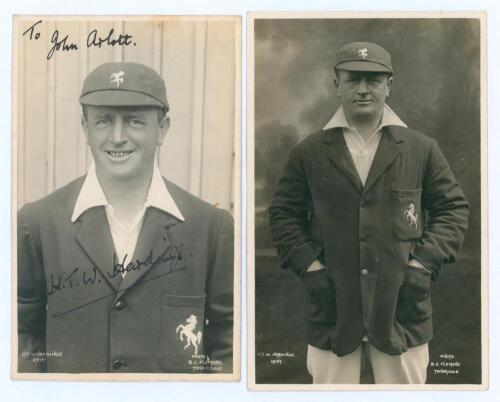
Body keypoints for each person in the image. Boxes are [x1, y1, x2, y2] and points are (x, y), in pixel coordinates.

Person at [268, 42, 469, 384]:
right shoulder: (309, 152)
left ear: (389, 84)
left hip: (402, 308)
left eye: (373, 79)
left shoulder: (421, 148)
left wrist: (422, 265)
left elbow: (453, 208)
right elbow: (283, 215)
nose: (363, 89)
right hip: (333, 306)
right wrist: (311, 268)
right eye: (353, 79)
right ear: (337, 85)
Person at [17, 62, 234, 374]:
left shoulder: (210, 227)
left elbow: (228, 337)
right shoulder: (36, 223)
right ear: (84, 127)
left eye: (134, 122)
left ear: (163, 128)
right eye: (104, 121)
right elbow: (21, 333)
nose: (117, 137)